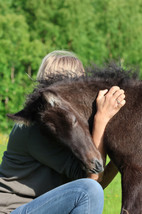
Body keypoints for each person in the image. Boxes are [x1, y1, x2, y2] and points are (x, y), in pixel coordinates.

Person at [0, 50, 125, 214]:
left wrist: (123, 153)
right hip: (13, 211)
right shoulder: (35, 127)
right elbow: (92, 180)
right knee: (88, 190)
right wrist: (101, 119)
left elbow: (96, 183)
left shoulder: (67, 130)